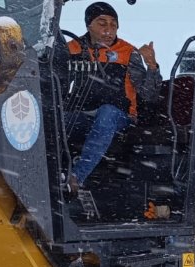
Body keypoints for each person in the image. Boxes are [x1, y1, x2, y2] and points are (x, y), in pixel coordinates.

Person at [63, 1, 162, 196]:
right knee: (52, 119)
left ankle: (76, 178)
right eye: (102, 23)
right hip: (81, 114)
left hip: (120, 117)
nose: (109, 30)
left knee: (106, 113)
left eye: (113, 25)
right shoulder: (71, 49)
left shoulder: (128, 52)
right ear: (88, 24)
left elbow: (149, 94)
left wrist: (152, 67)